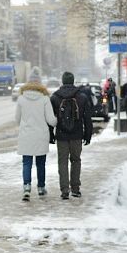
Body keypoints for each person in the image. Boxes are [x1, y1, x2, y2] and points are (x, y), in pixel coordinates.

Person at [15, 67, 57, 201]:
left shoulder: (21, 99)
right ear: (40, 84)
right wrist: (58, 121)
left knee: (26, 163)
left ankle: (26, 187)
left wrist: (25, 125)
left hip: (26, 135)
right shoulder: (45, 99)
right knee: (40, 163)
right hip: (40, 136)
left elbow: (17, 119)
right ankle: (41, 187)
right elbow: (51, 120)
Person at [49, 71, 93, 200]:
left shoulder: (55, 97)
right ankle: (75, 188)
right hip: (77, 134)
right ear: (73, 81)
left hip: (61, 135)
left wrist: (51, 134)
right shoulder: (82, 97)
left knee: (62, 162)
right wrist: (88, 134)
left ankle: (64, 190)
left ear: (62, 81)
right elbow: (87, 118)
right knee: (76, 160)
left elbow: (51, 118)